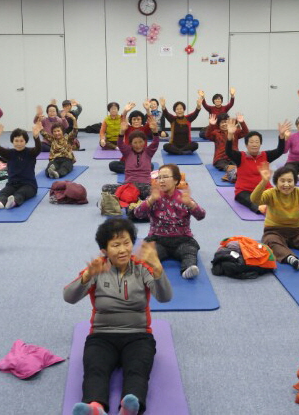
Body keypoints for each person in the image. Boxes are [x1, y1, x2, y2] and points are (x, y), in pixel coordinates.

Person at [64, 218, 172, 415]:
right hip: (102, 335)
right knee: (96, 370)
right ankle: (95, 407)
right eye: (115, 245)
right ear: (104, 250)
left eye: (127, 242)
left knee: (137, 371)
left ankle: (129, 407)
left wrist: (158, 269)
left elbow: (165, 298)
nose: (123, 249)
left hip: (138, 335)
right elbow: (69, 297)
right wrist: (87, 276)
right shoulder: (98, 268)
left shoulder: (141, 267)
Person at [133, 164, 206, 279]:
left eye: (165, 177)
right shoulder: (154, 197)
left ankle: (187, 269)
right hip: (158, 239)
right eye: (159, 178)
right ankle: (147, 269)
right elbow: (138, 214)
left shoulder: (183, 197)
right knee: (148, 255)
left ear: (176, 180)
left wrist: (191, 204)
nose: (161, 181)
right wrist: (150, 200)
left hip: (182, 239)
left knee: (190, 252)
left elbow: (201, 215)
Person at [251, 163, 299, 270]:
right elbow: (254, 199)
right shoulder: (271, 193)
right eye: (282, 181)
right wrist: (263, 182)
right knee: (269, 240)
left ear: (295, 182)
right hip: (274, 232)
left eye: (290, 181)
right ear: (276, 182)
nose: (286, 184)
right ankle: (290, 258)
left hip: (296, 233)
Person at [226, 120, 290, 214]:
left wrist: (281, 136)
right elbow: (228, 152)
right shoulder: (240, 156)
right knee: (249, 200)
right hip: (244, 191)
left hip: (264, 189)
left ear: (260, 144)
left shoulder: (265, 155)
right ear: (246, 144)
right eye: (251, 142)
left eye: (257, 142)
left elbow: (279, 151)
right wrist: (230, 135)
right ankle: (262, 209)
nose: (254, 144)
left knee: (281, 198)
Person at [0, 123, 42, 209]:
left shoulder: (31, 153)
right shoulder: (10, 153)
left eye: (21, 141)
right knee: (3, 192)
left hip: (29, 185)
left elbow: (38, 148)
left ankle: (13, 202)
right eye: (16, 141)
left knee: (21, 193)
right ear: (12, 141)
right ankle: (0, 203)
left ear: (26, 142)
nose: (19, 143)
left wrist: (36, 137)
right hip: (12, 184)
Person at [101, 125, 160, 201]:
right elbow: (120, 143)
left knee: (155, 192)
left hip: (145, 186)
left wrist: (155, 131)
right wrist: (122, 132)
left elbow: (155, 143)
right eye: (135, 143)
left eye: (140, 142)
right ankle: (134, 196)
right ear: (131, 143)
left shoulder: (148, 152)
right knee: (105, 188)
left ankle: (132, 196)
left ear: (144, 142)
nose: (138, 145)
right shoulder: (127, 152)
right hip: (128, 186)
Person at [205, 112, 248, 182]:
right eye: (222, 123)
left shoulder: (235, 132)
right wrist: (211, 125)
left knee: (239, 165)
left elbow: (245, 132)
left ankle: (231, 174)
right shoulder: (216, 133)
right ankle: (231, 172)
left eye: (226, 122)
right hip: (220, 158)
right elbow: (207, 136)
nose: (224, 124)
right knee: (222, 165)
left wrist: (242, 122)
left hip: (233, 157)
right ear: (218, 125)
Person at [108, 109, 154, 174]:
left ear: (142, 121)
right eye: (134, 119)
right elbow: (122, 120)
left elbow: (151, 120)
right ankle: (137, 171)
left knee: (151, 166)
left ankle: (132, 171)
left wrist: (147, 110)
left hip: (141, 161)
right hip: (127, 161)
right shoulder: (127, 129)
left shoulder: (144, 129)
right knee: (112, 165)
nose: (136, 121)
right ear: (131, 120)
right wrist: (125, 111)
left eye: (138, 119)